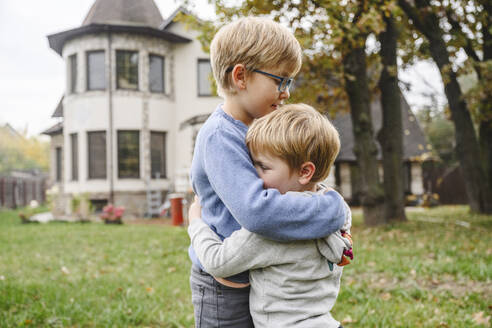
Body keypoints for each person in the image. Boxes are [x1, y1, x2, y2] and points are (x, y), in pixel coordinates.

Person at [188, 17, 348, 327]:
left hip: (262, 280)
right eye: (280, 80)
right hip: (224, 287)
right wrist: (332, 210)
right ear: (241, 77)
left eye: (290, 82)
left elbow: (300, 182)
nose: (287, 92)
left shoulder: (261, 126)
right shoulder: (220, 135)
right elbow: (258, 211)